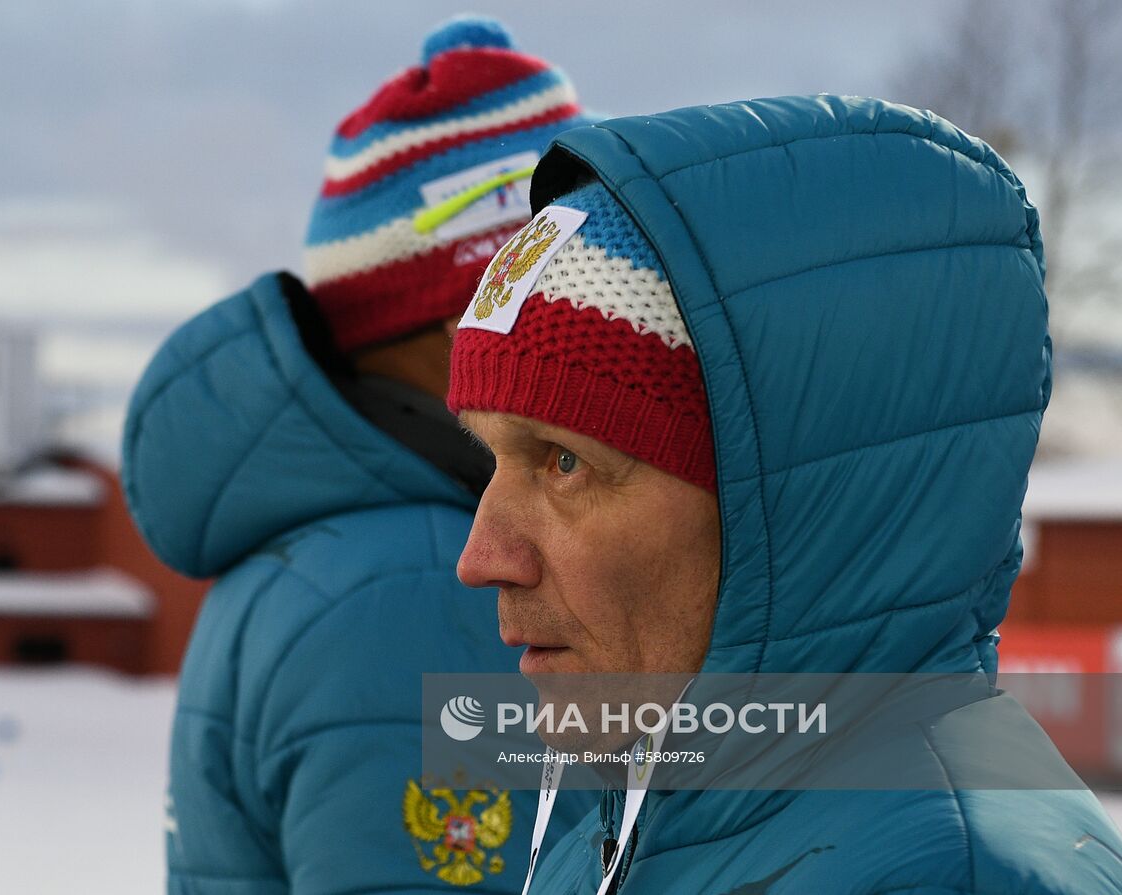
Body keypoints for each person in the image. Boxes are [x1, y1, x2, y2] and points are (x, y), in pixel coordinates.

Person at [448, 95, 1122, 893]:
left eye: (563, 461)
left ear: (789, 503)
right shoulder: (637, 833)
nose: (481, 557)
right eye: (493, 460)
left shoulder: (948, 874)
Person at [122, 16, 591, 894]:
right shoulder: (423, 587)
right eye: (571, 296)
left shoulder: (356, 550)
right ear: (473, 314)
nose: (603, 336)